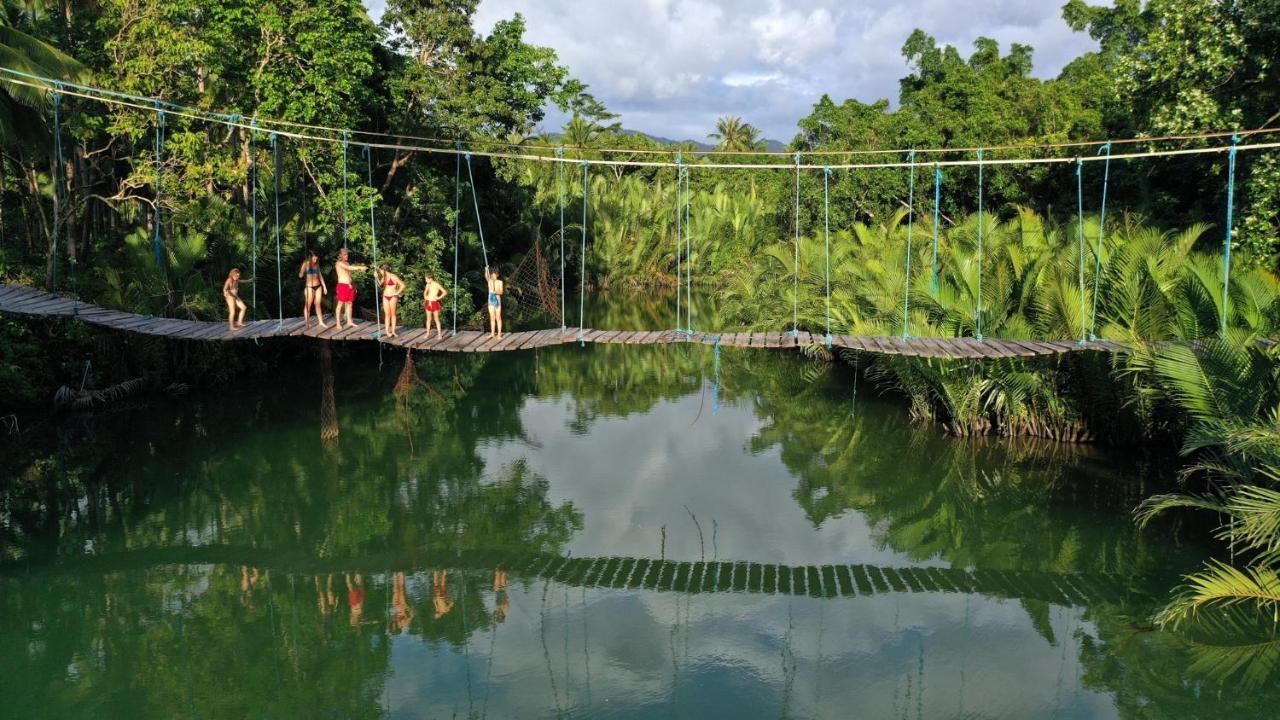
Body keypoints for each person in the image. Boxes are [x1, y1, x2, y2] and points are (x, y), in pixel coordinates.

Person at [334, 248, 368, 329]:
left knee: (349, 304)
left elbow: (349, 275)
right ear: (340, 255)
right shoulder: (338, 263)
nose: (346, 256)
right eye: (345, 254)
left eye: (347, 254)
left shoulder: (347, 263)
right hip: (342, 286)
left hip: (349, 286)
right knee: (340, 304)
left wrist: (354, 285)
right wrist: (360, 267)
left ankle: (349, 321)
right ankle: (338, 323)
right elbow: (349, 268)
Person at [298, 252, 329, 328]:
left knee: (318, 304)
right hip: (309, 287)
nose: (315, 259)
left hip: (318, 286)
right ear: (310, 257)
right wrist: (301, 273)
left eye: (316, 258)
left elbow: (320, 276)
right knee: (308, 305)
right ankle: (307, 322)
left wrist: (324, 286)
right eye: (314, 258)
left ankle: (321, 322)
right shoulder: (306, 264)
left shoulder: (317, 265)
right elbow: (301, 275)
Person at [377, 264, 406, 338]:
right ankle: (387, 331)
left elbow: (403, 285)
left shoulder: (393, 276)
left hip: (393, 296)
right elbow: (380, 284)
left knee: (393, 314)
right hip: (385, 296)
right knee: (387, 314)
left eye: (380, 270)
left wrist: (397, 292)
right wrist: (376, 277)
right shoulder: (384, 277)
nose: (380, 272)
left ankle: (393, 331)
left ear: (384, 270)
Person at [422, 272, 448, 339]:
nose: (425, 280)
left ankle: (439, 334)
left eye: (426, 279)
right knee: (428, 319)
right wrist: (425, 296)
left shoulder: (436, 284)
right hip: (428, 303)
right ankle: (427, 333)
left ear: (430, 278)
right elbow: (425, 292)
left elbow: (445, 292)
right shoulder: (428, 285)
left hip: (434, 303)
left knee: (436, 319)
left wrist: (438, 298)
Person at [485, 266, 504, 338]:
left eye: (495, 274)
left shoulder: (500, 282)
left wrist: (495, 292)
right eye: (492, 274)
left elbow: (501, 292)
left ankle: (499, 334)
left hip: (497, 300)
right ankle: (492, 333)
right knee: (492, 317)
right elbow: (486, 276)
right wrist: (486, 270)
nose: (493, 275)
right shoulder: (489, 282)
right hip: (490, 301)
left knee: (498, 317)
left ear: (497, 275)